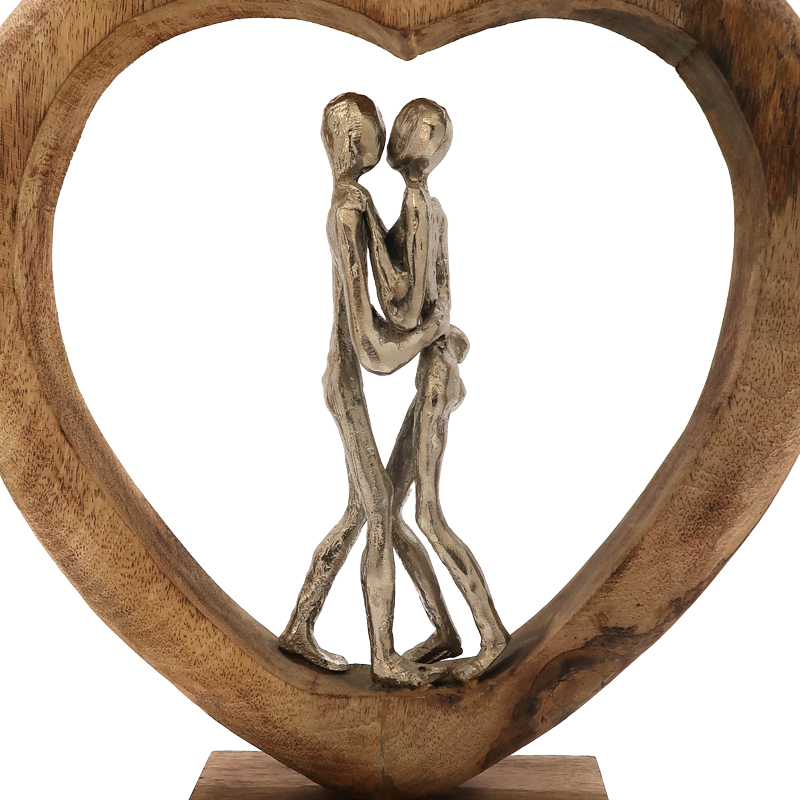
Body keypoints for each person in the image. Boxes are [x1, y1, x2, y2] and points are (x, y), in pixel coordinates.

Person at [278, 93, 460, 688]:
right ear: (354, 143)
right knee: (382, 510)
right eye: (372, 133)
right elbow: (372, 349)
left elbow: (394, 288)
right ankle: (382, 655)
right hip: (347, 384)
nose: (380, 142)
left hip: (346, 382)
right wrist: (431, 330)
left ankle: (300, 627)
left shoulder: (357, 205)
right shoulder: (347, 213)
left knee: (363, 509)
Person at [367, 99, 509, 681]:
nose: (398, 136)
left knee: (426, 514)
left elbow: (405, 305)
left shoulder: (416, 208)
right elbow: (439, 299)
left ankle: (491, 634)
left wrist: (368, 233)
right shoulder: (432, 206)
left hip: (433, 375)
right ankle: (445, 632)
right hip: (439, 366)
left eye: (407, 129)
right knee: (389, 506)